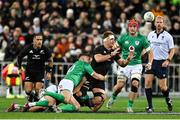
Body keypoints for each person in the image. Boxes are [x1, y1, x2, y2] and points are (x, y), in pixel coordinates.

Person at [106, 19, 153, 113]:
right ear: (128, 27)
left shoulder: (142, 38)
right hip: (124, 65)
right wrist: (114, 54)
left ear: (137, 27)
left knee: (135, 84)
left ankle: (129, 106)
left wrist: (150, 62)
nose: (132, 28)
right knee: (119, 86)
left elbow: (150, 51)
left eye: (134, 26)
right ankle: (113, 97)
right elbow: (114, 48)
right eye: (130, 26)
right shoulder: (123, 38)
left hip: (136, 65)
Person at [86, 31, 134, 112]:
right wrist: (111, 54)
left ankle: (91, 112)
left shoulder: (114, 52)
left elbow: (122, 64)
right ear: (105, 40)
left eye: (114, 39)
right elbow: (98, 59)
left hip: (99, 80)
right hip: (90, 76)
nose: (114, 41)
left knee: (102, 98)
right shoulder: (99, 48)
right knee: (78, 94)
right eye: (111, 39)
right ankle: (81, 102)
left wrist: (128, 59)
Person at [144, 16, 174, 113]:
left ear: (163, 24)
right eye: (157, 22)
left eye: (161, 22)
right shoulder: (150, 34)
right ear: (154, 23)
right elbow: (147, 48)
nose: (159, 24)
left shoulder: (168, 36)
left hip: (162, 62)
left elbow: (172, 50)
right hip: (151, 61)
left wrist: (168, 60)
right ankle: (150, 106)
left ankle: (168, 98)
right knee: (147, 83)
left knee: (162, 87)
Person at [17, 33, 53, 102]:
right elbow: (19, 56)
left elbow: (50, 60)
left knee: (38, 91)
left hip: (40, 72)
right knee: (28, 91)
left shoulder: (45, 49)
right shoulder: (28, 48)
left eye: (41, 40)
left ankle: (35, 102)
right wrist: (19, 68)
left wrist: (49, 72)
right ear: (34, 40)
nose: (39, 41)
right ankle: (31, 97)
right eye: (38, 39)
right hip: (29, 72)